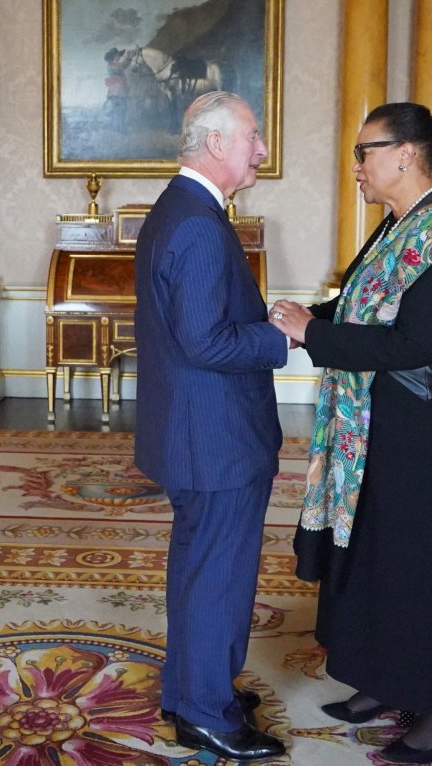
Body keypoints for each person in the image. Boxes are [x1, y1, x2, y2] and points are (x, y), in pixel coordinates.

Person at [269, 102, 432, 764]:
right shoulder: (398, 227)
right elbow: (360, 304)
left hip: (415, 432)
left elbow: (415, 343)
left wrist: (313, 333)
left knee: (411, 565)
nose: (356, 167)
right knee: (368, 552)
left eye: (365, 152)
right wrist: (314, 314)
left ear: (407, 154)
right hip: (373, 426)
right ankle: (381, 680)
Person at [134, 91, 288, 762]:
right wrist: (283, 339)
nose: (260, 150)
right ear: (219, 143)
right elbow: (206, 342)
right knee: (218, 575)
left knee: (200, 569)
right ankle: (206, 714)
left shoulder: (180, 209)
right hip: (216, 439)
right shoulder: (197, 223)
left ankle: (191, 688)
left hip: (194, 433)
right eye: (253, 137)